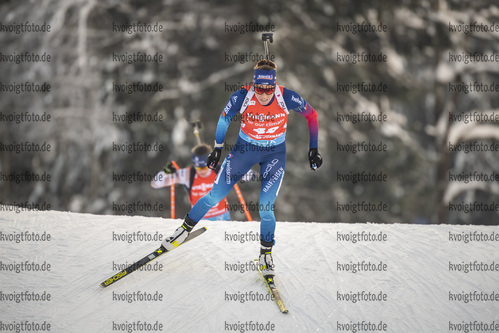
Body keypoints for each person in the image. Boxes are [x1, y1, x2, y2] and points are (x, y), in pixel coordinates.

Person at [162, 59, 322, 276]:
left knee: (266, 208)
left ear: (274, 85)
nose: (264, 94)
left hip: (274, 154)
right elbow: (223, 119)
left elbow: (312, 115)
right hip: (244, 151)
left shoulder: (287, 97)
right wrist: (218, 149)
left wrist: (313, 149)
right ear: (253, 84)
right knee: (214, 196)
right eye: (259, 88)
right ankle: (182, 231)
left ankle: (265, 256)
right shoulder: (242, 96)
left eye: (268, 89)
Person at [151, 143, 257, 221]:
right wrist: (165, 172)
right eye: (198, 168)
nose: (202, 171)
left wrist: (250, 173)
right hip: (200, 221)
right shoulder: (188, 174)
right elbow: (155, 184)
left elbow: (242, 173)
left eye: (205, 168)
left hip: (222, 217)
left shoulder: (219, 170)